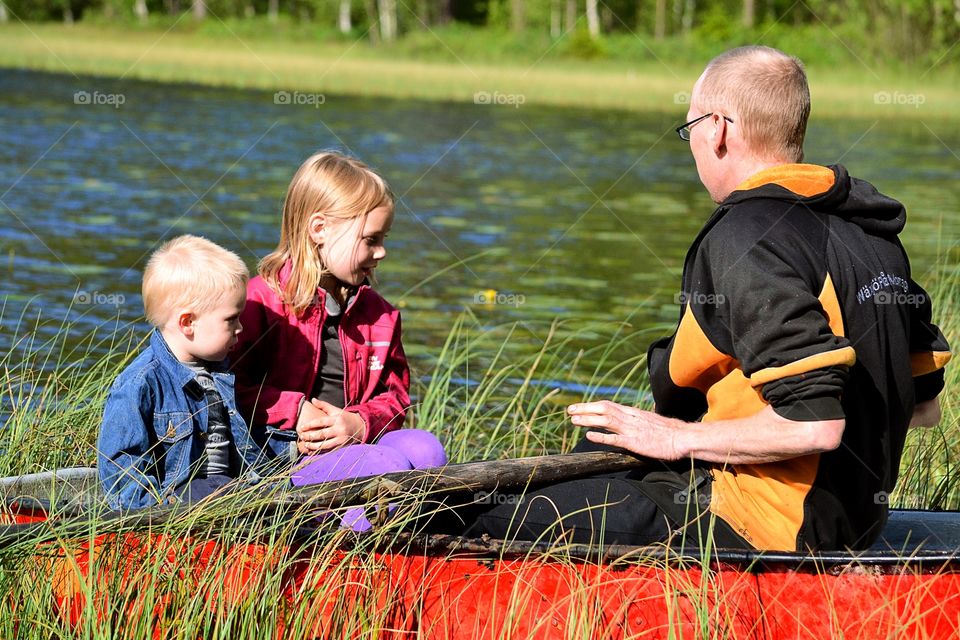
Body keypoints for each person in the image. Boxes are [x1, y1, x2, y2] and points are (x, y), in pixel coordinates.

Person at [468, 46, 951, 551]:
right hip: (856, 521)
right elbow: (923, 407)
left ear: (717, 127)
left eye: (690, 128)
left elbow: (817, 424)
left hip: (762, 525)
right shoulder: (871, 234)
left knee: (486, 516)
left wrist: (677, 439)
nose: (693, 144)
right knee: (598, 442)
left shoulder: (747, 236)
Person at [230, 151, 446, 530]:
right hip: (284, 457)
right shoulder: (260, 303)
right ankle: (344, 553)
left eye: (384, 239)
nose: (381, 252)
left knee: (426, 450)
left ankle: (398, 539)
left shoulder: (380, 315)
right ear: (319, 229)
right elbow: (226, 387)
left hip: (354, 446)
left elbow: (395, 398)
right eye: (370, 240)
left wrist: (360, 423)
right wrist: (295, 410)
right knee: (385, 467)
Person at [98, 235, 266, 510]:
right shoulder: (142, 383)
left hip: (230, 490)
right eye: (231, 319)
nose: (240, 328)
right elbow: (122, 471)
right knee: (225, 491)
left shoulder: (221, 371)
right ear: (188, 322)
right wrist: (157, 511)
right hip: (181, 504)